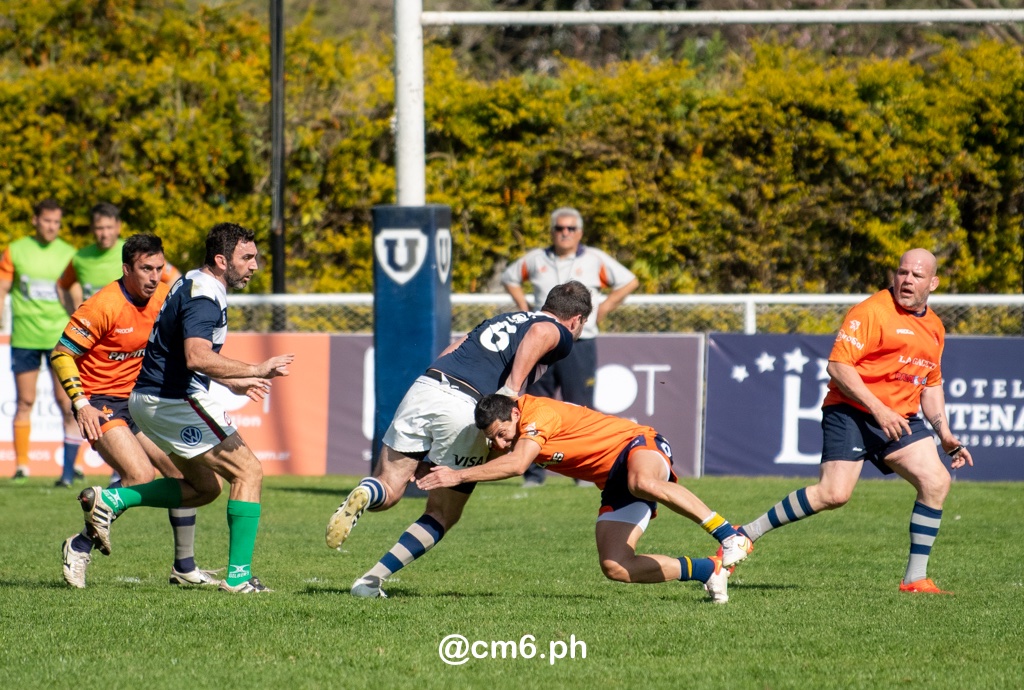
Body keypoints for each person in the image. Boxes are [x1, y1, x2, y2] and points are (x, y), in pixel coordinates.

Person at [326, 281, 594, 598]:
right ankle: (370, 583)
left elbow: (454, 348)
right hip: (466, 406)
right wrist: (509, 391)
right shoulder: (558, 331)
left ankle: (366, 492)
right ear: (577, 319)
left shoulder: (504, 319)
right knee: (442, 513)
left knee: (389, 488)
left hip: (427, 386)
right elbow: (542, 334)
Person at [734, 248, 973, 595]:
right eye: (902, 272)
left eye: (917, 275)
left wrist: (945, 433)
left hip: (898, 418)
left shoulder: (935, 327)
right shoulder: (872, 312)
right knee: (834, 495)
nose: (907, 280)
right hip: (851, 411)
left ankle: (915, 580)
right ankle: (745, 534)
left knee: (936, 481)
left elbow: (931, 382)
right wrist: (879, 410)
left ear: (933, 283)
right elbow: (838, 367)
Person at [76, 223, 295, 594]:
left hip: (149, 400)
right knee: (249, 472)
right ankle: (239, 578)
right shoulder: (204, 296)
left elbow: (183, 353)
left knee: (204, 488)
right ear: (222, 260)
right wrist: (255, 368)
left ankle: (114, 498)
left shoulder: (194, 281)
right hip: (173, 400)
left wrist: (233, 380)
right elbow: (196, 356)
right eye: (247, 257)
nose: (254, 265)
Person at [417, 393, 753, 604]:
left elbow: (517, 464)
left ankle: (728, 534)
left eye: (502, 435)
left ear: (515, 415)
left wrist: (457, 475)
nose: (501, 444)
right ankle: (709, 569)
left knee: (643, 482)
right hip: (614, 482)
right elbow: (497, 460)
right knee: (616, 566)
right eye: (495, 440)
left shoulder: (537, 414)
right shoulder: (514, 431)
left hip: (637, 445)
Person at [53, 234, 219, 588]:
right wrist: (80, 404)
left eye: (159, 268)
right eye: (145, 268)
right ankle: (80, 545)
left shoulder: (165, 295)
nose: (153, 276)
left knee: (195, 479)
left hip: (145, 401)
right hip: (102, 404)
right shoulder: (102, 305)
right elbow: (62, 354)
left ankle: (184, 568)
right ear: (126, 268)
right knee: (141, 475)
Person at [502, 206, 638, 487]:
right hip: (543, 342)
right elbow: (509, 277)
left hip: (580, 342)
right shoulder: (537, 258)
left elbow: (629, 281)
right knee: (535, 405)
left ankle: (583, 472)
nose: (565, 233)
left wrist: (604, 307)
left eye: (570, 229)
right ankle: (533, 473)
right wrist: (524, 306)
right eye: (559, 228)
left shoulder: (595, 259)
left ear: (580, 233)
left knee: (580, 405)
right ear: (552, 231)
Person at [0, 199, 83, 485]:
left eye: (57, 222)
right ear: (35, 220)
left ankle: (74, 464)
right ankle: (22, 466)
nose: (52, 227)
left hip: (60, 340)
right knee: (25, 400)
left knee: (67, 401)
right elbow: (2, 288)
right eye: (47, 221)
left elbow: (76, 296)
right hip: (24, 337)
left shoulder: (70, 254)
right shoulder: (16, 250)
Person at [57, 202, 182, 313]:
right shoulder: (80, 257)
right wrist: (72, 312)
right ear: (91, 229)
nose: (105, 234)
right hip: (94, 332)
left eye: (109, 227)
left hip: (129, 331)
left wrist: (167, 314)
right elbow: (62, 286)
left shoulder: (134, 252)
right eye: (100, 228)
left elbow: (175, 279)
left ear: (118, 226)